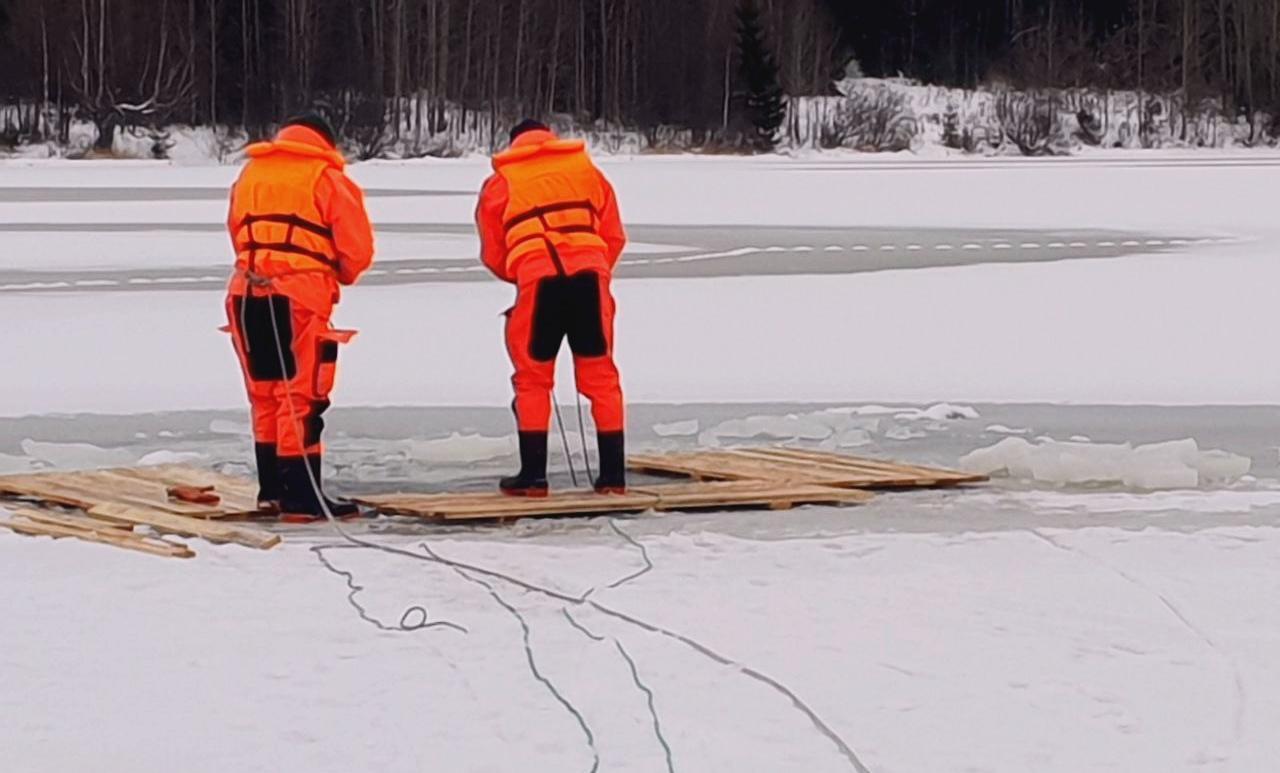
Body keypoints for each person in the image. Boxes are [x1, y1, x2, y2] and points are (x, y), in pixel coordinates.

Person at [223, 114, 375, 523]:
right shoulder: (325, 178)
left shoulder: (250, 174)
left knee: (265, 394)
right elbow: (357, 250)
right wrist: (329, 271)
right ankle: (302, 497)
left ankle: (271, 490)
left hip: (244, 292)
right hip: (298, 295)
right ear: (324, 142)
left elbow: (237, 230)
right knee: (299, 395)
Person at [475, 119, 628, 497]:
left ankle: (533, 478)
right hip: (590, 280)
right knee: (601, 376)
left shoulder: (502, 181)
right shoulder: (586, 170)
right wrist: (595, 266)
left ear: (515, 144)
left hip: (538, 280)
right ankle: (612, 477)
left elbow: (494, 251)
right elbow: (613, 235)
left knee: (533, 378)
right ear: (550, 138)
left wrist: (522, 272)